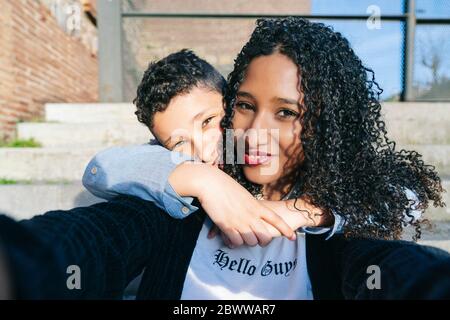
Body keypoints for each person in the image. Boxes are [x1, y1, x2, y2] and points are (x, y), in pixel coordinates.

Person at [83, 17, 446, 300]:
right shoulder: (194, 171)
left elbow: (401, 195)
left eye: (285, 112)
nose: (255, 132)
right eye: (244, 106)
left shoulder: (331, 194)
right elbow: (104, 169)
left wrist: (302, 210)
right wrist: (202, 180)